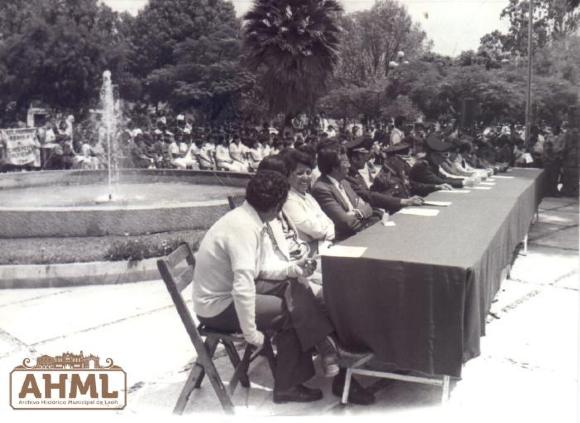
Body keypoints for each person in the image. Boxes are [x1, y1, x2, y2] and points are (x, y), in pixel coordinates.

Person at [193, 171, 340, 404]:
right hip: (218, 306)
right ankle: (288, 386)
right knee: (287, 313)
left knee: (296, 283)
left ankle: (322, 342)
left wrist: (292, 269)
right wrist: (251, 334)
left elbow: (260, 267)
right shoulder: (243, 228)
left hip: (228, 292)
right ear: (276, 206)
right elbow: (243, 287)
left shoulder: (248, 217)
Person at [311, 143, 381, 241]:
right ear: (334, 167)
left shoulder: (344, 182)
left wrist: (355, 213)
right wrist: (361, 213)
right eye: (345, 163)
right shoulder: (321, 189)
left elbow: (367, 206)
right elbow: (346, 222)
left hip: (362, 230)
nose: (349, 165)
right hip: (346, 239)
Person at [345, 139, 419, 214]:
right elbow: (369, 196)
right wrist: (403, 201)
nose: (366, 159)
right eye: (363, 156)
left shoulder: (356, 175)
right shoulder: (348, 178)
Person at [281, 149, 335, 244]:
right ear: (288, 174)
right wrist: (326, 232)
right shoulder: (288, 199)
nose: (305, 177)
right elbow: (315, 230)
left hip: (326, 244)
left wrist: (327, 232)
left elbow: (329, 221)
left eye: (308, 172)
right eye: (300, 173)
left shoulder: (309, 197)